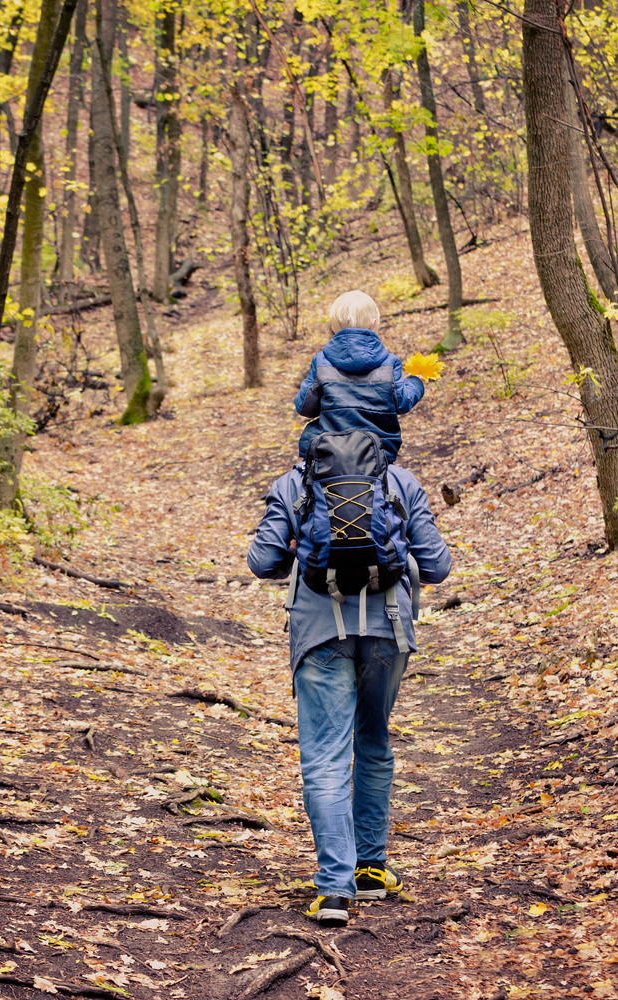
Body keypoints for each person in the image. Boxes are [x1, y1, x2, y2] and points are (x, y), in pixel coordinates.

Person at [247, 459, 451, 926]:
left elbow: (263, 562)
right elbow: (438, 565)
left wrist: (303, 549)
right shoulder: (398, 480)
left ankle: (335, 890)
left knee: (325, 757)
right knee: (374, 743)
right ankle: (372, 870)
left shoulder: (295, 482)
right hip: (388, 630)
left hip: (320, 633)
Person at [295, 290, 425, 463]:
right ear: (373, 324)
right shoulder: (389, 363)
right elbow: (402, 403)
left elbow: (304, 407)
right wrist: (415, 382)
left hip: (331, 450)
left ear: (334, 328)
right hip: (379, 451)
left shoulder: (321, 362)